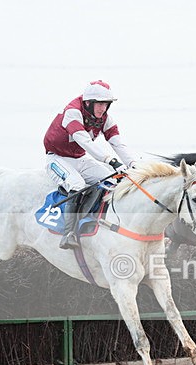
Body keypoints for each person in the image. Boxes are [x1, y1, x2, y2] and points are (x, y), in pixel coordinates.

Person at [44, 80, 142, 249]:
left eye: (106, 104)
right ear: (88, 102)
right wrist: (110, 160)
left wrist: (134, 164)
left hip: (80, 159)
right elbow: (85, 142)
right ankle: (68, 234)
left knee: (111, 181)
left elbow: (117, 143)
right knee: (77, 184)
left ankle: (97, 223)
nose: (103, 108)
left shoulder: (105, 118)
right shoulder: (72, 112)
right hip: (57, 158)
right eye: (99, 104)